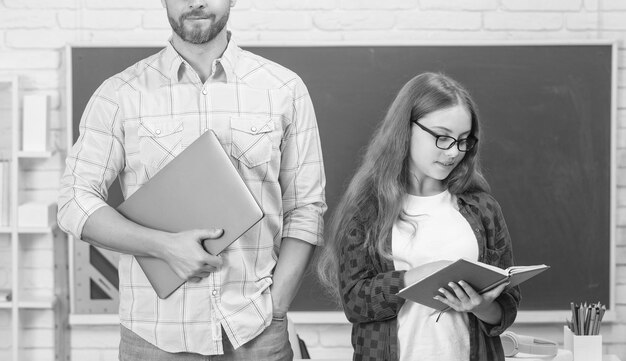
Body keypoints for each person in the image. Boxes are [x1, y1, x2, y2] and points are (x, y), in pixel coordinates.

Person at [57, 0, 326, 359]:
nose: (196, 1)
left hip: (257, 332)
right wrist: (162, 246)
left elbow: (305, 207)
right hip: (154, 337)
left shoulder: (284, 89)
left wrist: (276, 307)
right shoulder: (120, 94)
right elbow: (74, 200)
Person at [316, 72, 520, 361]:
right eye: (442, 137)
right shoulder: (367, 210)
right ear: (406, 128)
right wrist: (414, 277)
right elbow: (355, 303)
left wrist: (481, 306)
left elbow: (506, 308)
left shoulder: (482, 209)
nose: (453, 153)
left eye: (463, 141)